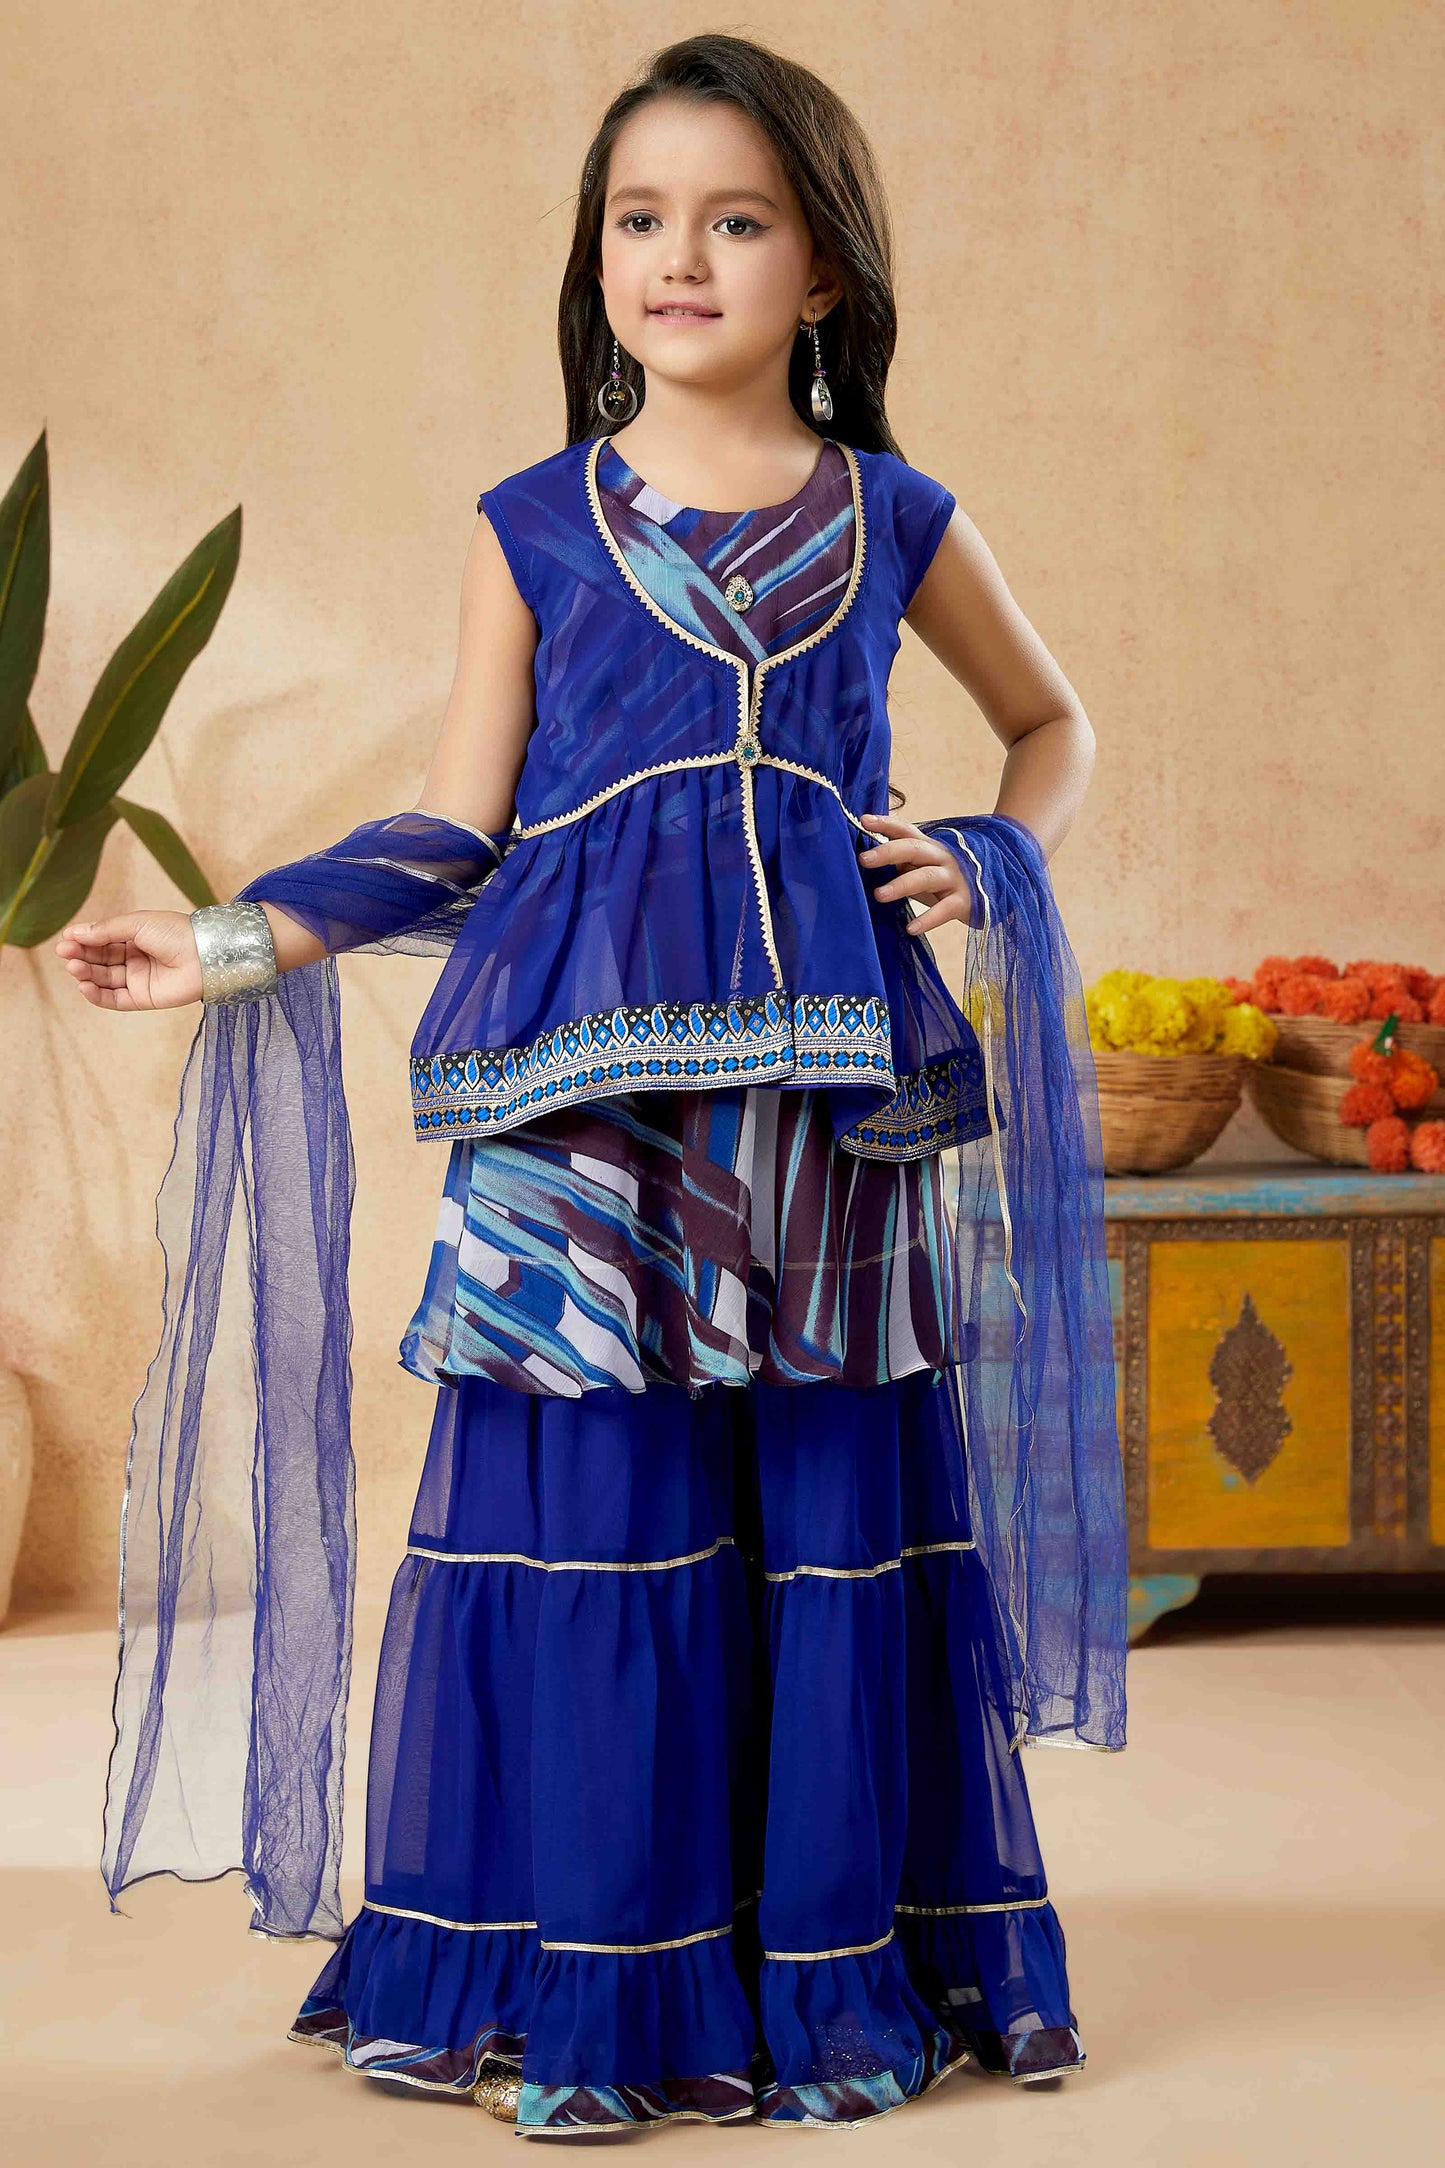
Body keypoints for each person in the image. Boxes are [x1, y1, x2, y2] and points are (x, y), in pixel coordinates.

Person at [54, 31, 1125, 2138]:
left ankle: (819, 1962)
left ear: (826, 271)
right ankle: (597, 1972)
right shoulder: (533, 526)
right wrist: (224, 942)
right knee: (594, 1529)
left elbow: (1052, 725)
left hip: (826, 1119)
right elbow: (458, 828)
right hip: (583, 1130)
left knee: (827, 1524)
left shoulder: (894, 516)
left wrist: (989, 855)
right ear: (594, 252)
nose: (679, 257)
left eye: (736, 220)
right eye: (641, 218)